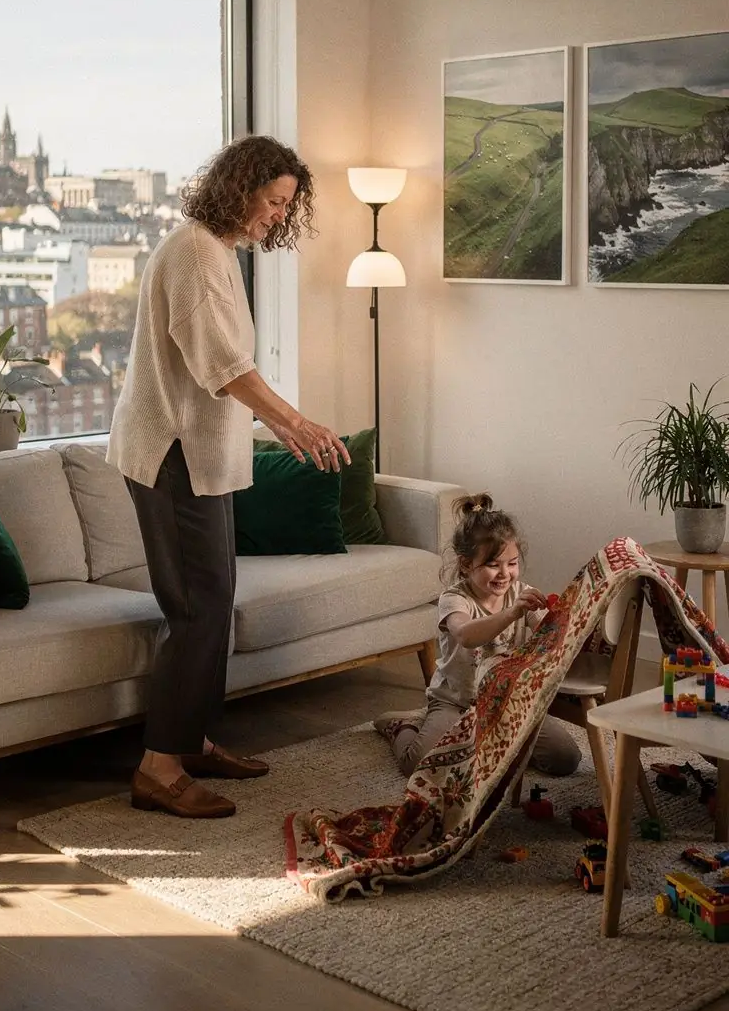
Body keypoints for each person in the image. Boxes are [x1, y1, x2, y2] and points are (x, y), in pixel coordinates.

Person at [107, 135, 350, 820]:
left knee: (215, 600)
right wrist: (294, 423)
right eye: (273, 201)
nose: (279, 215)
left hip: (200, 456)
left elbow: (221, 366)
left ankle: (191, 741)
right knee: (198, 608)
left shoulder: (215, 250)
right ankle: (158, 770)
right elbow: (222, 364)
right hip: (171, 454)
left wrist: (282, 423)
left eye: (286, 205)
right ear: (239, 189)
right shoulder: (194, 253)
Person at [375, 493, 581, 778]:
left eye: (512, 563)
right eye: (493, 565)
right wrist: (512, 613)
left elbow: (549, 635)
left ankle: (485, 740)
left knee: (565, 758)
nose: (505, 573)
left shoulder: (521, 593)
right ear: (465, 564)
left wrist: (566, 617)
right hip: (455, 701)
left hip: (507, 700)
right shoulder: (454, 599)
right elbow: (465, 634)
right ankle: (403, 727)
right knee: (418, 765)